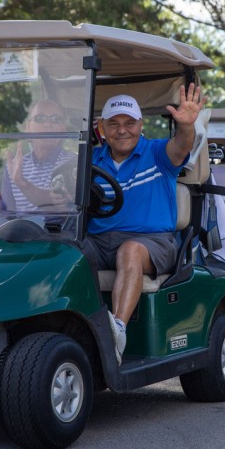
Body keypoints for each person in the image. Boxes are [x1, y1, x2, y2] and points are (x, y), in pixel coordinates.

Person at [86, 84, 205, 364]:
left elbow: (181, 146)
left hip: (153, 242)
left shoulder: (157, 154)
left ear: (140, 125)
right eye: (113, 124)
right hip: (99, 241)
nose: (122, 130)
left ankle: (116, 331)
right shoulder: (91, 160)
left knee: (130, 251)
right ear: (102, 128)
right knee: (65, 251)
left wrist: (186, 126)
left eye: (129, 123)